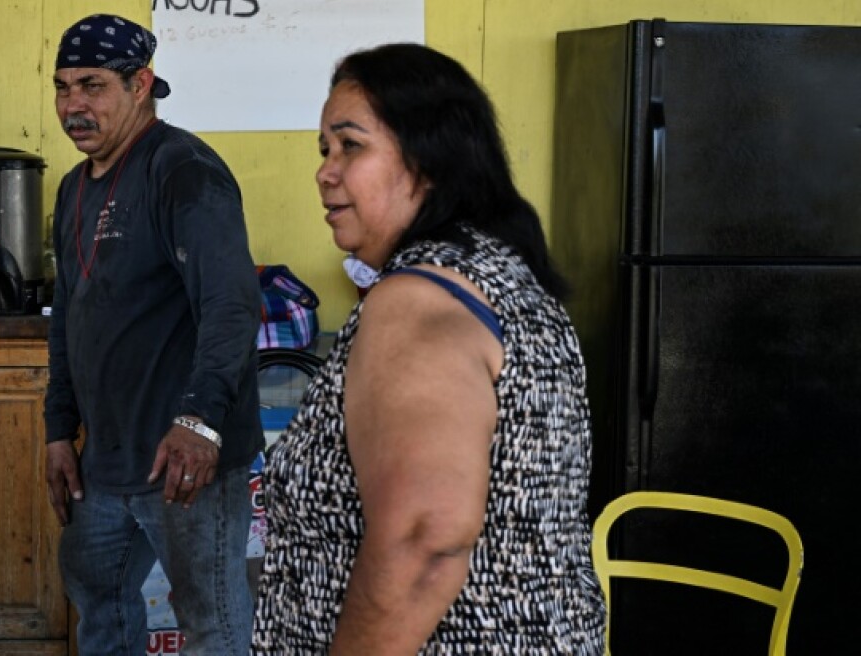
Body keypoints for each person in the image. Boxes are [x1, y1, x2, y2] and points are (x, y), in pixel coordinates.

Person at [252, 42, 606, 654]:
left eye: (351, 145)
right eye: (325, 149)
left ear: (429, 159)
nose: (325, 170)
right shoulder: (500, 275)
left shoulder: (416, 300)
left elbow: (424, 542)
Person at [45, 13, 263, 655]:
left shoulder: (184, 170)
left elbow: (231, 305)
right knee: (101, 614)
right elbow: (68, 312)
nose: (73, 105)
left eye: (92, 86)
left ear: (140, 84)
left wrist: (199, 421)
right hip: (105, 463)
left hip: (184, 462)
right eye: (62, 87)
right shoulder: (70, 190)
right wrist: (59, 429)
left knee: (212, 627)